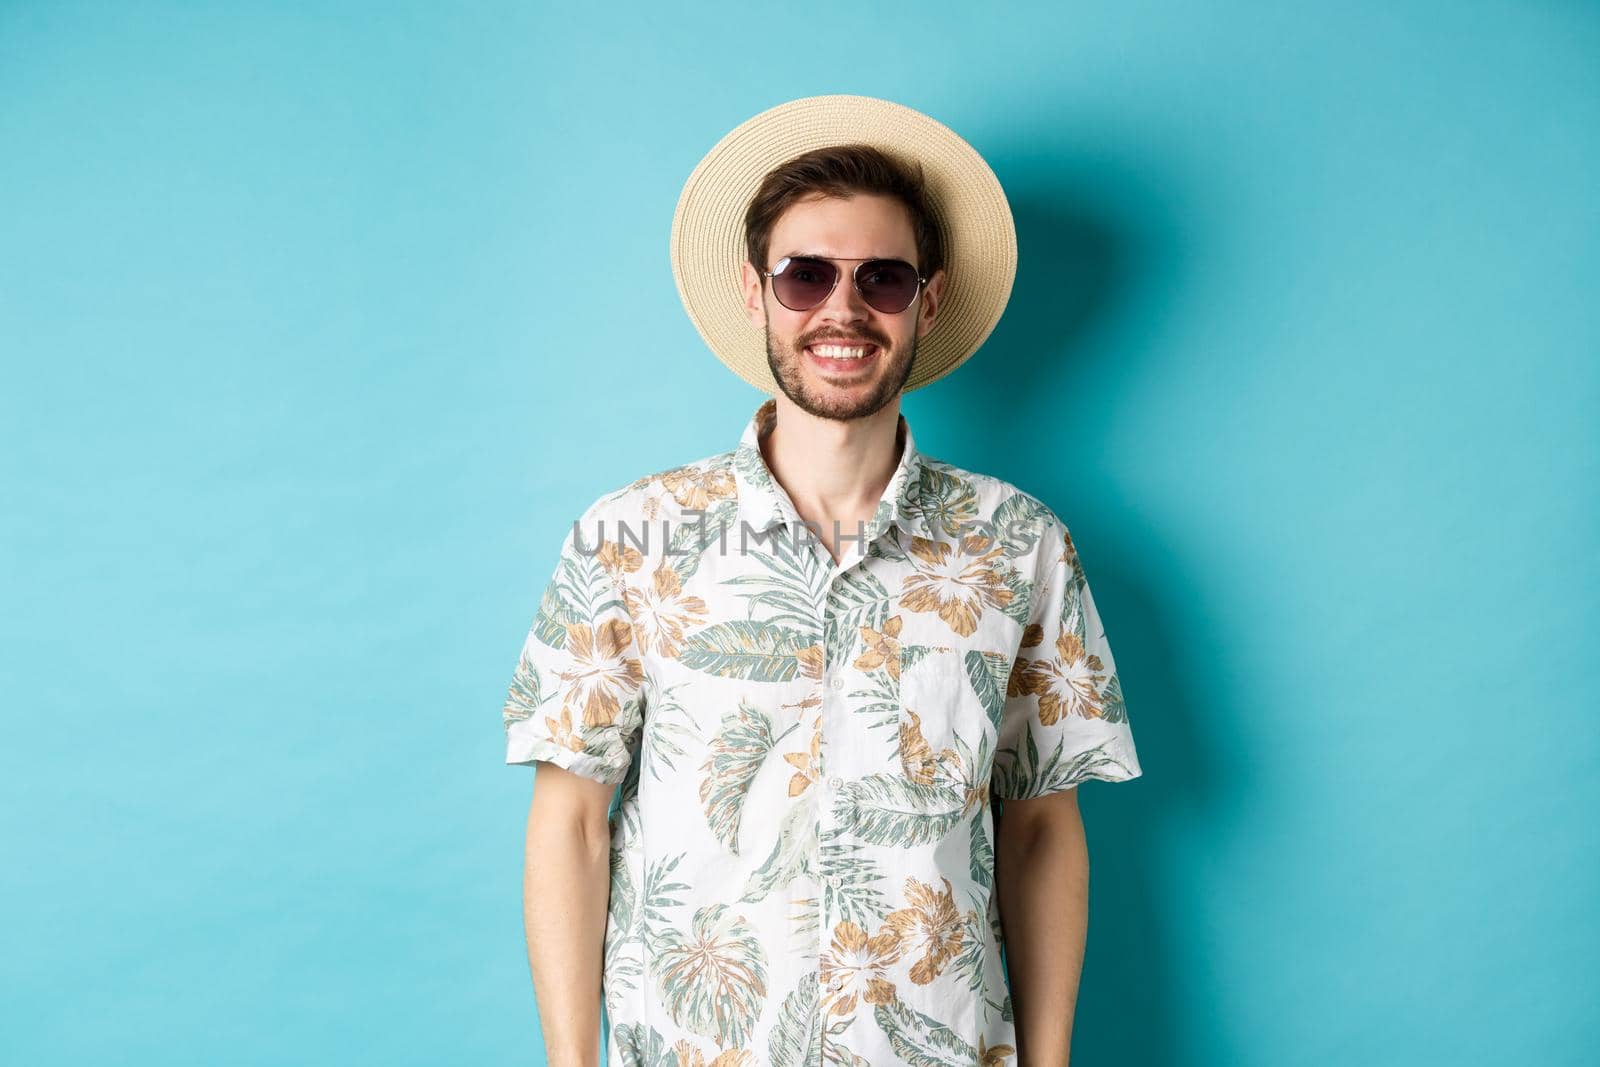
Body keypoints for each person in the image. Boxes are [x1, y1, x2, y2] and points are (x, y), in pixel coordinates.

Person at [502, 94, 1142, 1066]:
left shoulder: (1021, 545)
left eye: (880, 278)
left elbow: (1043, 822)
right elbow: (570, 821)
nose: (842, 309)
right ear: (756, 293)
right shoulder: (628, 536)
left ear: (926, 301)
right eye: (806, 276)